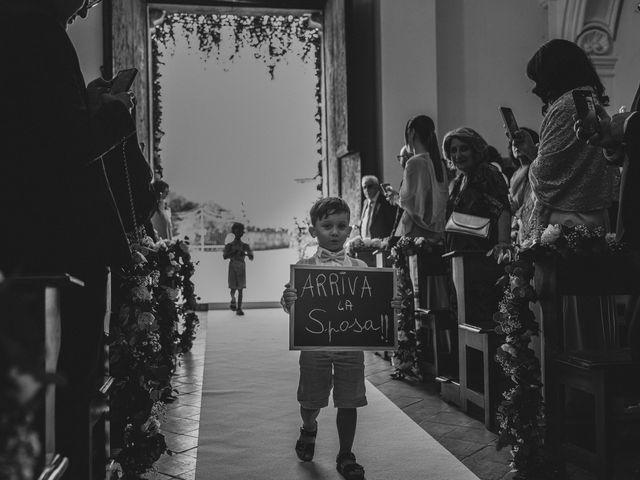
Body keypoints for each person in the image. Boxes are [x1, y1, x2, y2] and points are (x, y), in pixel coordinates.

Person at [0, 1, 154, 479]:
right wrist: (114, 114)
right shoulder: (33, 31)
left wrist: (87, 105)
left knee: (66, 391)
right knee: (69, 392)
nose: (85, 10)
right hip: (55, 247)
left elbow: (42, 128)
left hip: (38, 245)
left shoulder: (20, 27)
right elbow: (60, 146)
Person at [281, 197, 399, 480]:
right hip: (315, 346)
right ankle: (309, 428)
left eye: (341, 226)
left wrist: (389, 305)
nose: (334, 232)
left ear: (349, 230)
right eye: (327, 226)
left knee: (349, 400)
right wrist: (288, 300)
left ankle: (346, 454)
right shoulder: (304, 266)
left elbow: (374, 303)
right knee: (311, 399)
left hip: (350, 345)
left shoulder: (360, 266)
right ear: (314, 231)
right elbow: (292, 308)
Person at [512, 39, 617, 238]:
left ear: (553, 75)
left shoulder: (565, 106)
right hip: (592, 216)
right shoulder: (587, 99)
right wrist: (533, 152)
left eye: (538, 80)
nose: (536, 89)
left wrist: (534, 164)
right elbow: (568, 167)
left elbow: (545, 175)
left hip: (566, 222)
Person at [443, 127, 511, 325]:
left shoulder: (487, 173)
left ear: (475, 149)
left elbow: (502, 210)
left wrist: (504, 243)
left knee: (482, 317)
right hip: (459, 257)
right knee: (463, 317)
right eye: (453, 150)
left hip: (482, 258)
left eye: (463, 149)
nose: (458, 155)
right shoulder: (459, 180)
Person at [385, 115, 449, 242]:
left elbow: (411, 205)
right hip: (437, 232)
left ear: (412, 132)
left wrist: (395, 198)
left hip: (417, 232)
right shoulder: (438, 163)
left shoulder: (414, 162)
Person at [507, 127, 539, 243]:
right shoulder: (515, 174)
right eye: (513, 143)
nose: (516, 145)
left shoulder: (535, 170)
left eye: (520, 141)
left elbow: (528, 204)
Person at [223, 222, 253, 316]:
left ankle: (239, 308)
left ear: (242, 233)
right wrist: (234, 253)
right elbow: (225, 256)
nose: (239, 232)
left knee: (240, 289)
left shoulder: (245, 246)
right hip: (232, 267)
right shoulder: (229, 245)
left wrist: (246, 254)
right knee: (232, 288)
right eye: (237, 230)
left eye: (240, 230)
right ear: (234, 232)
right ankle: (233, 300)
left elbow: (251, 257)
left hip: (241, 267)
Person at [359, 175, 397, 240]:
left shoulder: (386, 201)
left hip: (382, 244)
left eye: (370, 186)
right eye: (364, 187)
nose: (367, 190)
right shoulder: (365, 202)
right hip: (365, 245)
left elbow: (393, 225)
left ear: (376, 186)